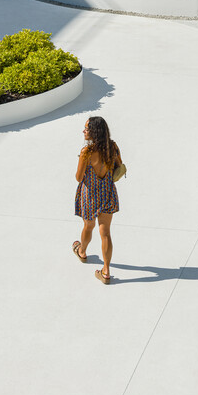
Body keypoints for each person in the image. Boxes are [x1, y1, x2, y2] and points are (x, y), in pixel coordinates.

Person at [72, 116, 122, 284]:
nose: (84, 131)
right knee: (105, 232)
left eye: (86, 128)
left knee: (88, 226)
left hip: (90, 195)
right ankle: (106, 272)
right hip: (107, 192)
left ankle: (82, 252)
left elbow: (78, 178)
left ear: (94, 131)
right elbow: (120, 167)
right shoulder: (113, 147)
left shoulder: (87, 152)